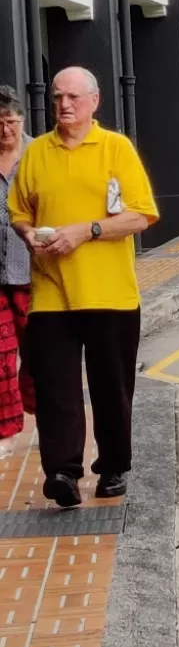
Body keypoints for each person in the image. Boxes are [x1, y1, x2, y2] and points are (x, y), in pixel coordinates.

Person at [9, 67, 159, 511]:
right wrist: (28, 233)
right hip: (52, 290)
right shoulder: (37, 154)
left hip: (109, 291)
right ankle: (62, 472)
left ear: (95, 101)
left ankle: (113, 465)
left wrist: (86, 231)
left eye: (73, 97)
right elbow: (18, 210)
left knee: (110, 386)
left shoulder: (116, 148)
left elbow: (141, 215)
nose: (64, 105)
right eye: (57, 97)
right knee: (55, 386)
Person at [0, 89, 33, 455]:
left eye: (10, 122)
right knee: (1, 356)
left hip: (32, 270)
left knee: (38, 351)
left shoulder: (38, 154)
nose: (5, 130)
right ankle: (6, 431)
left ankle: (44, 415)